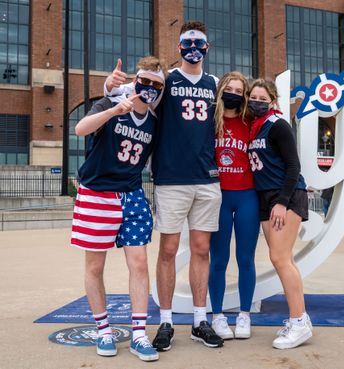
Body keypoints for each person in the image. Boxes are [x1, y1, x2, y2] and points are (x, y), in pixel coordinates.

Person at [104, 21, 223, 350]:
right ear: (179, 45)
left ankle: (200, 320)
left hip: (207, 178)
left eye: (200, 41)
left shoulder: (215, 83)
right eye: (188, 41)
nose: (194, 47)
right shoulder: (167, 80)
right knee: (168, 251)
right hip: (171, 178)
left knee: (201, 250)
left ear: (207, 47)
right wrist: (108, 85)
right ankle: (167, 320)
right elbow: (127, 93)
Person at [71, 56, 168, 361]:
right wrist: (113, 108)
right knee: (95, 267)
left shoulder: (155, 122)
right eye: (145, 81)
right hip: (97, 193)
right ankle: (103, 329)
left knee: (139, 263)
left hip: (132, 194)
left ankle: (139, 334)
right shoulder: (112, 103)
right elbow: (80, 129)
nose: (149, 88)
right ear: (135, 81)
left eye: (157, 84)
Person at [247, 78, 312, 349]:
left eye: (263, 99)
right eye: (253, 98)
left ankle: (298, 322)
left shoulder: (278, 125)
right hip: (265, 196)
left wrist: (282, 202)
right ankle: (300, 319)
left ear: (272, 101)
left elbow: (293, 165)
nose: (257, 102)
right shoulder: (254, 128)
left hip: (283, 195)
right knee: (282, 260)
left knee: (280, 257)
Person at [208, 71, 260, 340]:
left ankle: (243, 314)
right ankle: (217, 316)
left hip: (247, 195)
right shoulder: (209, 120)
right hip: (219, 197)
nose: (234, 94)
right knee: (218, 260)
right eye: (230, 89)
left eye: (240, 91)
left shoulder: (250, 121)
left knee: (245, 259)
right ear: (221, 90)